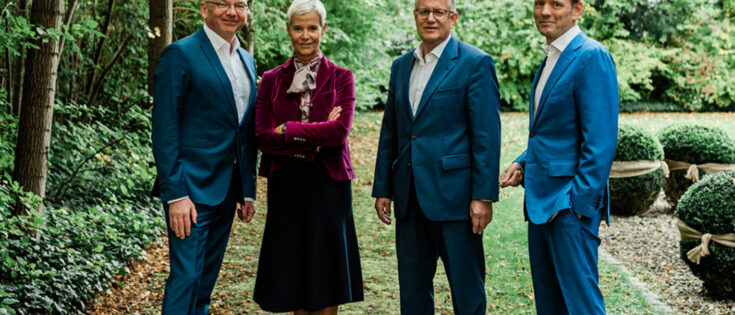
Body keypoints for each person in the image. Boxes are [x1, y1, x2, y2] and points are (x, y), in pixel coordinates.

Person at [371, 0, 501, 313]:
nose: (430, 18)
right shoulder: (401, 66)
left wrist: (483, 197)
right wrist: (383, 188)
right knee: (413, 293)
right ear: (415, 15)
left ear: (452, 18)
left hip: (456, 201)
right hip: (410, 197)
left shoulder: (474, 63)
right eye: (423, 11)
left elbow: (486, 136)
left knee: (467, 291)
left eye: (438, 12)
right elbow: (392, 129)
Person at [499, 0, 619, 313]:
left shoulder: (592, 56)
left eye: (557, 4)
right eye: (540, 3)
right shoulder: (552, 57)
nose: (546, 11)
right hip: (539, 201)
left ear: (577, 9)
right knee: (550, 304)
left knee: (581, 306)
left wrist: (578, 206)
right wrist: (522, 163)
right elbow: (552, 131)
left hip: (568, 206)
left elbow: (600, 141)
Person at [252, 0, 364, 314]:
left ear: (322, 29)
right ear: (288, 30)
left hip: (328, 186)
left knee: (326, 278)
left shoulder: (342, 77)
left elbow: (339, 132)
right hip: (286, 185)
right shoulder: (272, 79)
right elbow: (261, 136)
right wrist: (316, 135)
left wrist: (287, 129)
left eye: (312, 28)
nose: (305, 35)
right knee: (293, 277)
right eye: (298, 28)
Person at [151, 0, 258, 313]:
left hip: (227, 191)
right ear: (204, 8)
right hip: (190, 192)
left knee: (205, 283)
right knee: (186, 278)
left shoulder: (247, 61)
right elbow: (165, 129)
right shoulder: (181, 54)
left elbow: (244, 131)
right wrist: (176, 195)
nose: (232, 11)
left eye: (240, 4)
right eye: (223, 3)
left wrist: (247, 190)